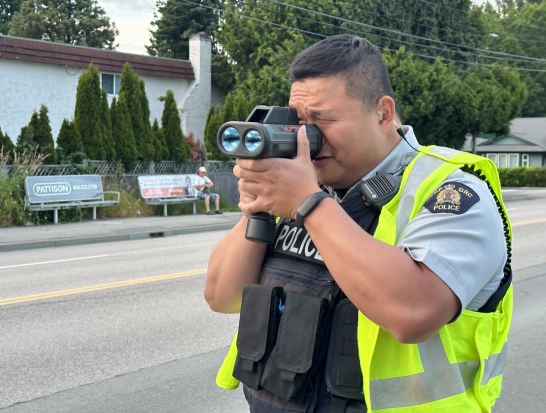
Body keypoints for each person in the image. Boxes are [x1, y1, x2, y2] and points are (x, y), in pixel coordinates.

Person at [204, 34, 512, 413]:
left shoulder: (449, 191)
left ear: (383, 113)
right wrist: (259, 208)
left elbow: (413, 314)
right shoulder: (308, 186)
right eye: (298, 122)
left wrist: (308, 204)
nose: (307, 138)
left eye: (322, 120)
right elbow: (223, 296)